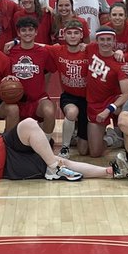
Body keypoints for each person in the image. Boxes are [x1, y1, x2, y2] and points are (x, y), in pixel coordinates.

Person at [0, 118, 128, 182]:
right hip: (9, 166)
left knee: (29, 123)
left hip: (6, 142)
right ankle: (109, 172)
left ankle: (52, 166)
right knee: (60, 162)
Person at [83, 27, 128, 157]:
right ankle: (111, 139)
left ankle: (126, 135)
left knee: (126, 107)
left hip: (113, 101)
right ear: (96, 41)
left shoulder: (120, 63)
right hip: (94, 103)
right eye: (102, 39)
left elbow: (127, 93)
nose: (105, 43)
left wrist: (108, 109)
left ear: (114, 41)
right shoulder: (90, 48)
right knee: (94, 153)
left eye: (109, 40)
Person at [7, 16, 56, 134]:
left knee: (49, 111)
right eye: (23, 30)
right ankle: (10, 144)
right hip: (16, 100)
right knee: (12, 112)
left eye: (30, 30)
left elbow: (49, 70)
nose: (27, 33)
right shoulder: (10, 51)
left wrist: (42, 89)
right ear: (18, 33)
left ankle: (47, 142)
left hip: (37, 100)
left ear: (36, 32)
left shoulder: (44, 52)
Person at [50, 18, 91, 155]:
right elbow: (36, 44)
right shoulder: (57, 50)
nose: (72, 36)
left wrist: (119, 53)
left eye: (76, 33)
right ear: (64, 35)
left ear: (81, 35)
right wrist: (15, 41)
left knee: (83, 151)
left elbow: (108, 51)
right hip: (69, 97)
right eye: (69, 33)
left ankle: (81, 134)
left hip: (88, 99)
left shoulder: (89, 50)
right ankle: (65, 147)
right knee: (72, 112)